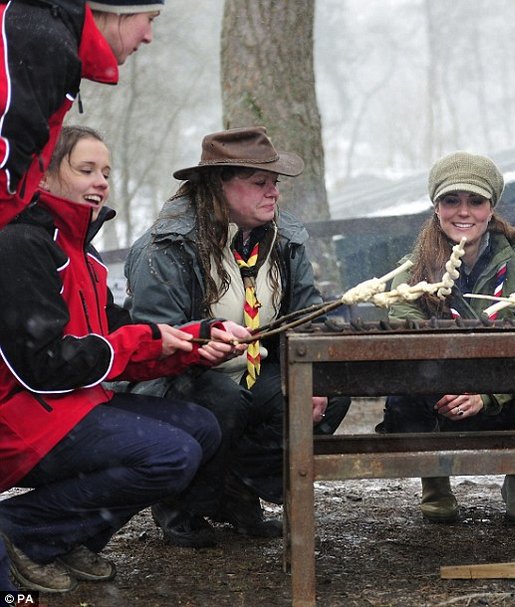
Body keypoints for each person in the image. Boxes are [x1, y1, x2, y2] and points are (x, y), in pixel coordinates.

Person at [0, 126, 241, 593]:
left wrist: (193, 341)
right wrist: (141, 342)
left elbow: (114, 334)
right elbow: (42, 364)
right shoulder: (20, 245)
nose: (101, 182)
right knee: (171, 454)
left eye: (106, 172)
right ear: (44, 179)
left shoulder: (82, 254)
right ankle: (20, 529)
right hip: (21, 420)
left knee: (201, 425)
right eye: (86, 170)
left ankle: (66, 539)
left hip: (69, 406)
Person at [124, 126, 351, 548]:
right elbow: (156, 341)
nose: (274, 194)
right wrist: (201, 345)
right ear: (218, 186)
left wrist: (314, 377)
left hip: (255, 367)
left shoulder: (286, 238)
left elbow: (305, 315)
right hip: (180, 377)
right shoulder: (166, 246)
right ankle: (181, 502)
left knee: (329, 392)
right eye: (260, 183)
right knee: (221, 402)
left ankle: (235, 484)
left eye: (275, 183)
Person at [375, 151, 515, 525]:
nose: (463, 212)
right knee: (402, 400)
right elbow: (405, 331)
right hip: (440, 391)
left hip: (504, 389)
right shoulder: (413, 266)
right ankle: (434, 480)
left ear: (491, 207)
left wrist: (486, 395)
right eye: (452, 201)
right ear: (436, 208)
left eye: (475, 201)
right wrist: (448, 386)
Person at [0, 0, 163, 228]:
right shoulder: (41, 40)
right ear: (121, 9)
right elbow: (7, 146)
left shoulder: (44, 34)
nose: (148, 36)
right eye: (150, 19)